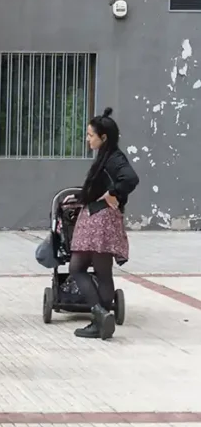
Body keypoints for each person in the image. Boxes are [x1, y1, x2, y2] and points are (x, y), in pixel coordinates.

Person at [68, 108, 139, 340]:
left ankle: (99, 315)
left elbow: (130, 178)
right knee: (103, 272)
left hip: (97, 219)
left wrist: (113, 192)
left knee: (77, 268)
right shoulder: (108, 156)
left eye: (91, 135)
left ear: (104, 137)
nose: (88, 139)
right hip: (104, 218)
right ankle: (102, 317)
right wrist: (81, 197)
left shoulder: (115, 158)